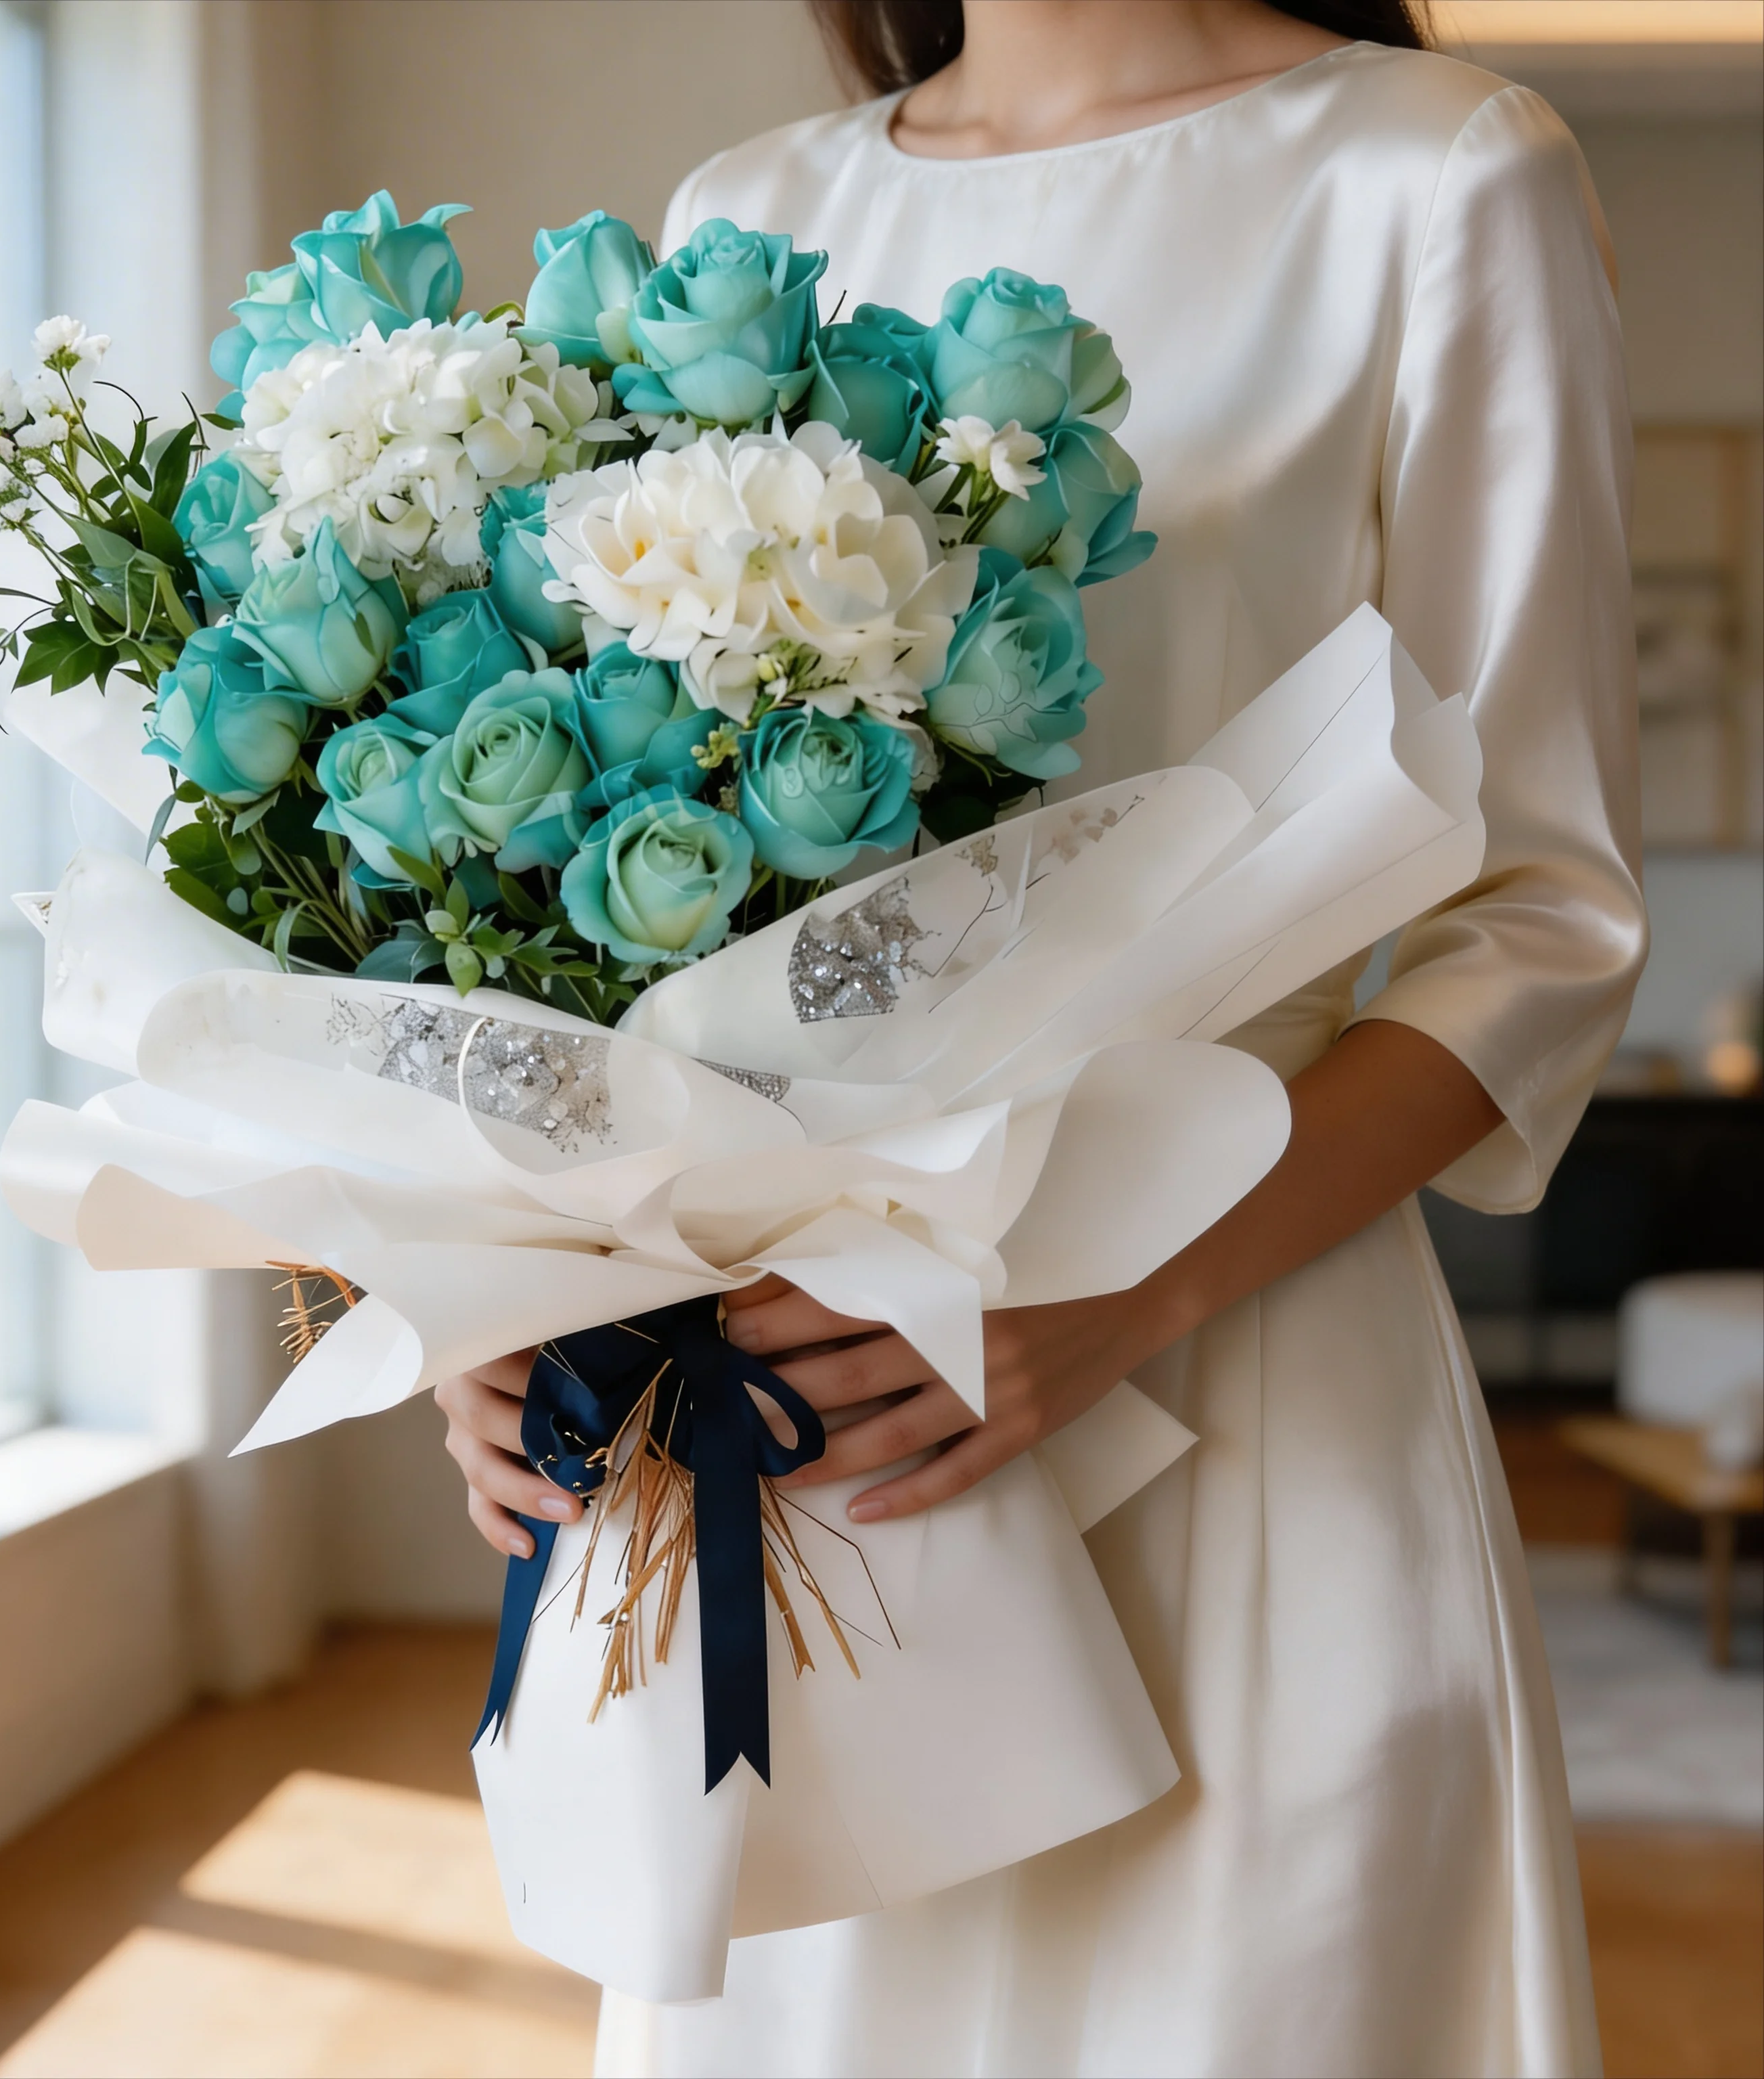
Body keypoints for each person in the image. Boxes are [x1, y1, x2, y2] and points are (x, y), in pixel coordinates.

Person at [439, 3, 1644, 2071]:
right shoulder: (752, 220)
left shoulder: (1442, 173)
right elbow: (608, 881)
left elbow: (1537, 922)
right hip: (795, 1405)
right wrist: (523, 1294)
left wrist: (1122, 1292)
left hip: (1243, 1354)